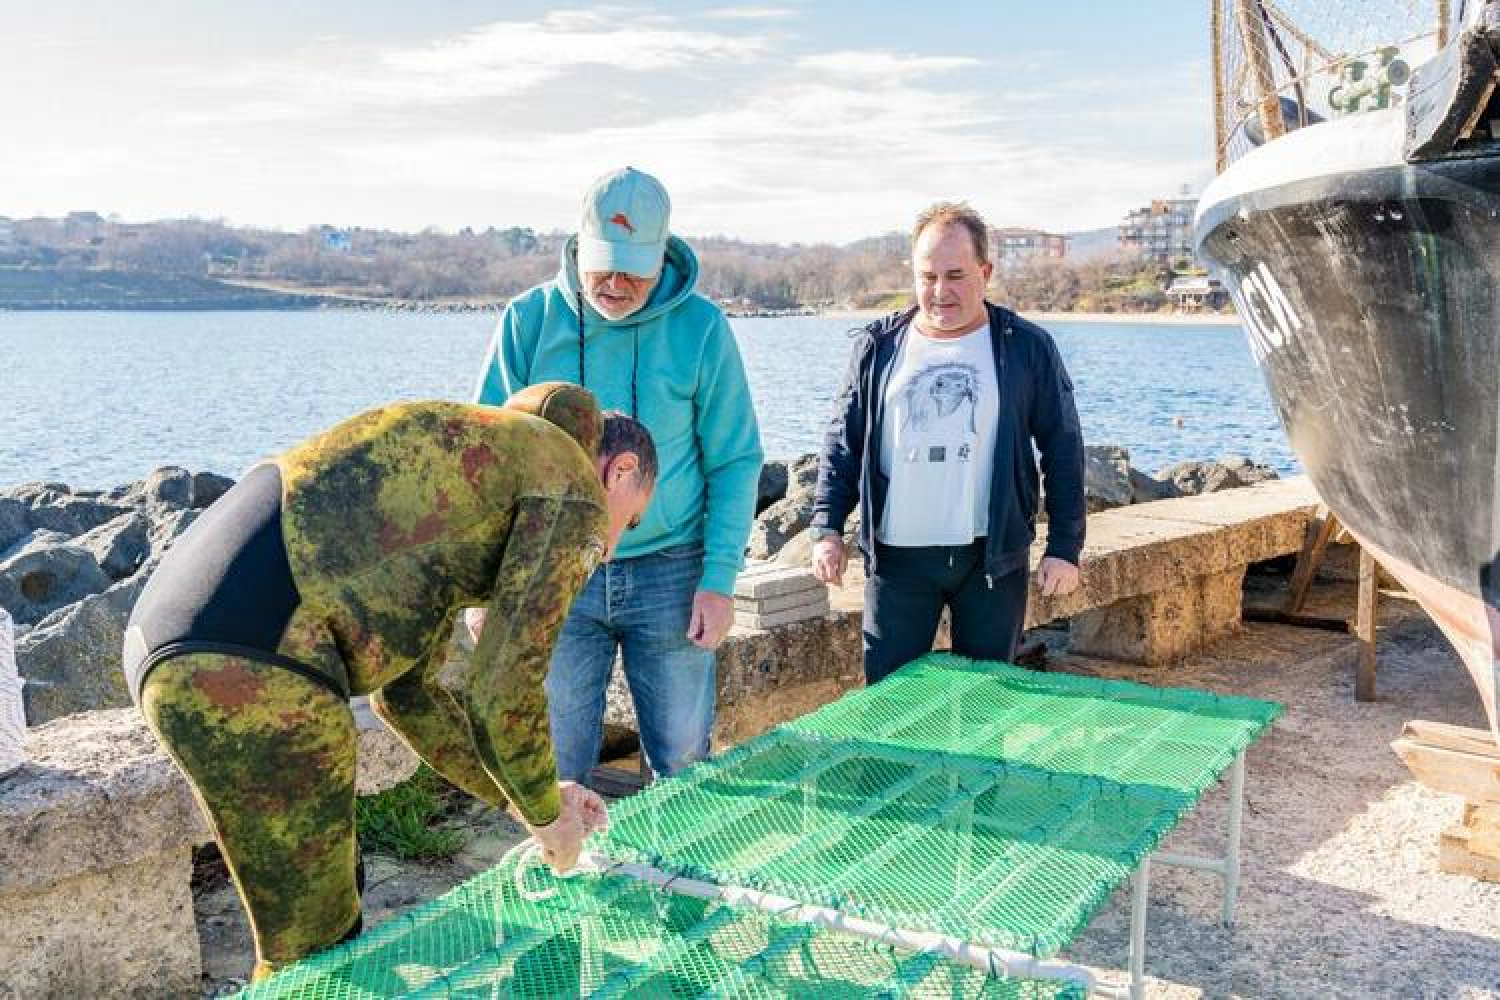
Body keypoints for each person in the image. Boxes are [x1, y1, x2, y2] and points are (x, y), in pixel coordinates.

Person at [123, 383, 654, 980]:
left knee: (330, 891)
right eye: (630, 522)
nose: (610, 550)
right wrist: (549, 821)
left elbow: (408, 697)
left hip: (177, 633)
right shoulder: (571, 487)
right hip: (254, 659)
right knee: (314, 953)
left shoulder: (483, 462)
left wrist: (530, 797)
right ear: (619, 471)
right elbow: (505, 686)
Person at [472, 166, 762, 782]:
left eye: (635, 266)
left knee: (683, 761)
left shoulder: (703, 329)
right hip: (555, 572)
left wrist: (717, 579)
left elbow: (736, 459)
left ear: (664, 255)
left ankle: (674, 877)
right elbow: (485, 463)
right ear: (579, 243)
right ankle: (567, 871)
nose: (616, 281)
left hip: (672, 572)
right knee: (553, 763)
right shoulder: (527, 321)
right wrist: (486, 588)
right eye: (605, 262)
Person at [810, 201, 1085, 684]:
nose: (940, 291)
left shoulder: (1026, 347)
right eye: (928, 276)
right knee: (889, 707)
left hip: (991, 560)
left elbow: (1063, 449)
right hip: (896, 561)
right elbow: (842, 445)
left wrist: (1064, 546)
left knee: (987, 705)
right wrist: (827, 528)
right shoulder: (878, 348)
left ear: (986, 271)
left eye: (955, 275)